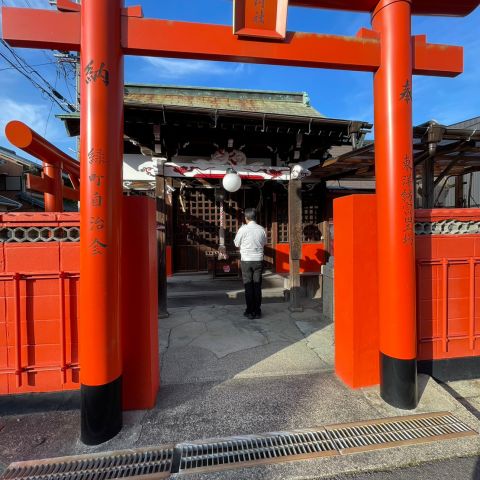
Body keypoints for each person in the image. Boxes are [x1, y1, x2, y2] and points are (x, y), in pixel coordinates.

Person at [234, 208, 267, 319]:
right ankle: (257, 311)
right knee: (257, 286)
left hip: (247, 260)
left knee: (248, 286)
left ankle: (249, 311)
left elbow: (236, 243)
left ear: (246, 218)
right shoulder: (261, 229)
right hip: (258, 260)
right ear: (255, 217)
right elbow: (264, 243)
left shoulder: (243, 229)